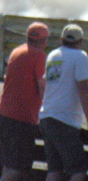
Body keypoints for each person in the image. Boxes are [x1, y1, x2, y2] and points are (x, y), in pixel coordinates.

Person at [39, 24, 88, 181]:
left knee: (54, 170)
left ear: (61, 40)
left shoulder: (53, 55)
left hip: (46, 116)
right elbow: (84, 90)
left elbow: (44, 85)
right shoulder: (80, 56)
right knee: (78, 171)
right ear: (81, 41)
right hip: (64, 120)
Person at [0, 22, 50, 181]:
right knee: (17, 169)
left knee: (9, 164)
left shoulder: (17, 51)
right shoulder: (39, 55)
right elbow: (42, 86)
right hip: (22, 118)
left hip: (5, 114)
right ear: (44, 40)